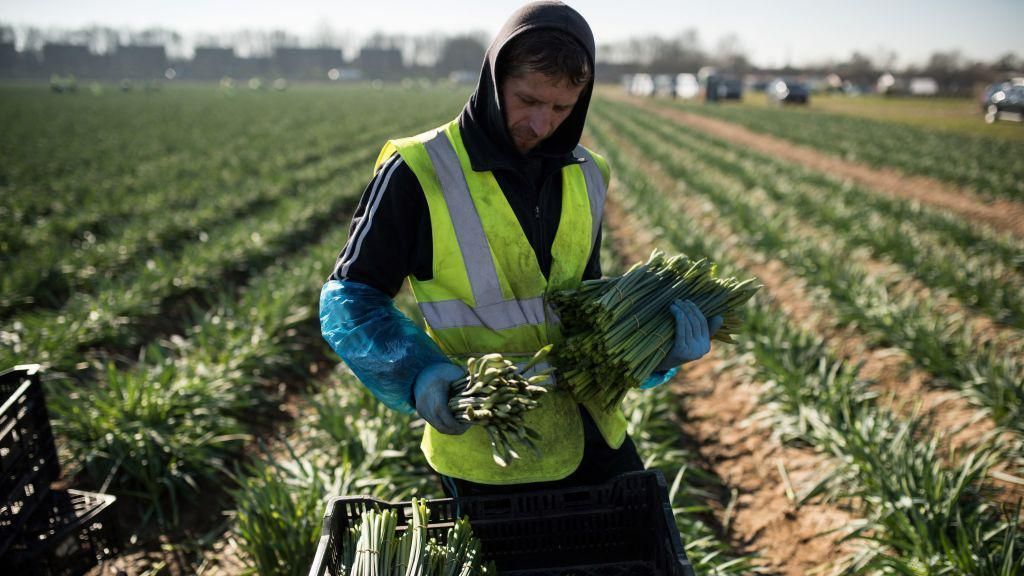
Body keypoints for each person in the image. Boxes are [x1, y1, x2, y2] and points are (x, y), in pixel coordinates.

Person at [319, 1, 721, 499]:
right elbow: (350, 298)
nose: (540, 124)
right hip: (489, 447)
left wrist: (658, 348)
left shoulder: (589, 172)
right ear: (492, 81)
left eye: (560, 109)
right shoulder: (419, 170)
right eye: (526, 100)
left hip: (593, 434)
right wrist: (416, 371)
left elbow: (584, 307)